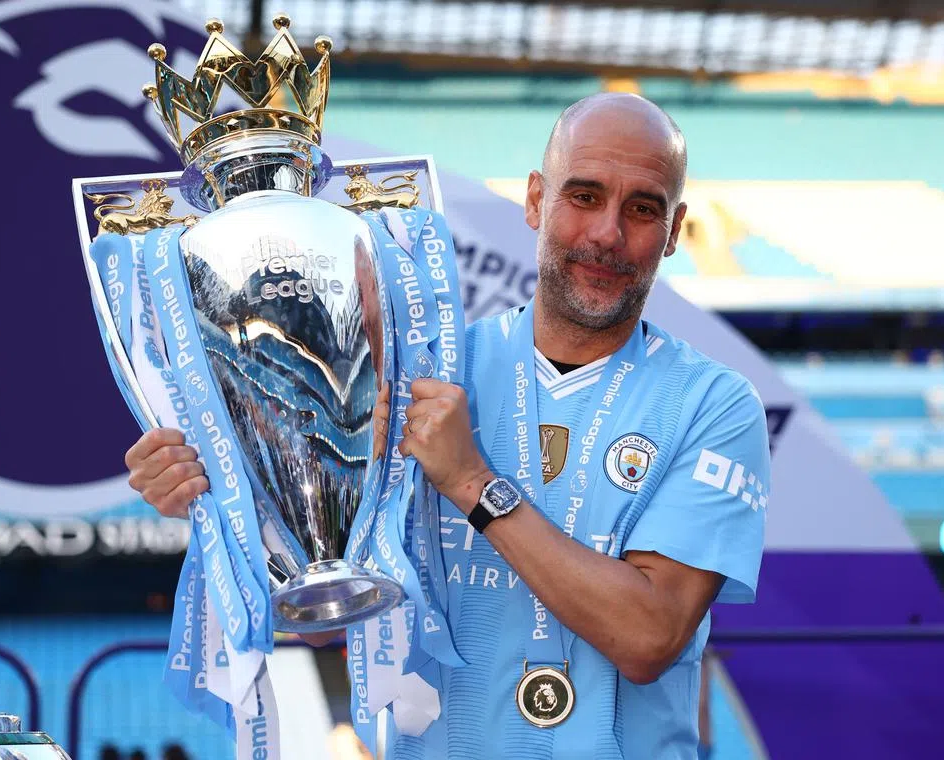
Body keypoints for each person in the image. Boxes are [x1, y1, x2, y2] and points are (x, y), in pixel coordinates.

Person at [125, 92, 769, 759]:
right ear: (535, 200)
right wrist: (221, 505)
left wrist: (471, 482)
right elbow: (323, 619)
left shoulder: (712, 404)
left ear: (674, 230)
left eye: (642, 209)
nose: (608, 233)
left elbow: (649, 638)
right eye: (584, 196)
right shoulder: (418, 372)